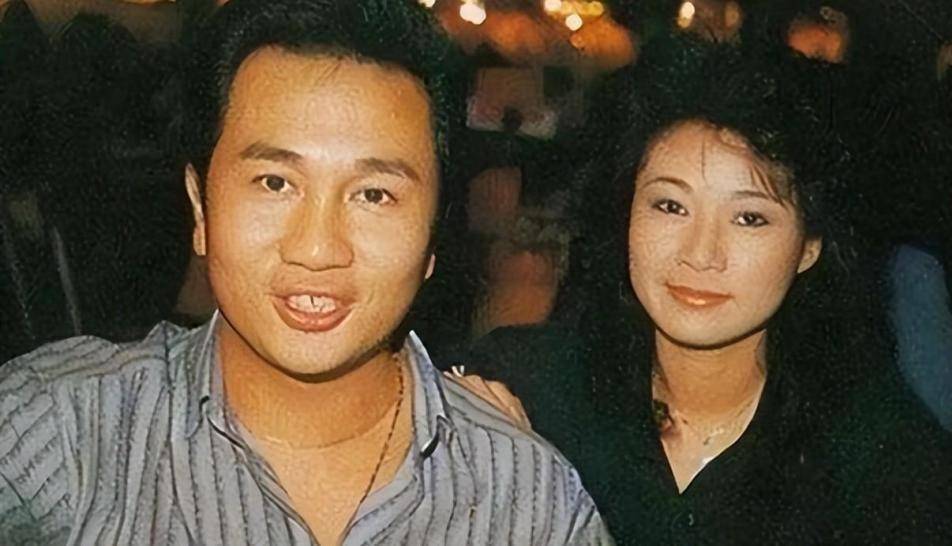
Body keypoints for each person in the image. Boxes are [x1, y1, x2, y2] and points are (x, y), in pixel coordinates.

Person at [0, 1, 611, 544]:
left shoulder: (527, 500)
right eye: (275, 182)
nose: (317, 249)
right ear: (200, 208)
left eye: (373, 194)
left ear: (433, 233)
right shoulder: (61, 430)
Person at [460, 36, 952, 543]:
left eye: (749, 218)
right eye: (670, 206)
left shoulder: (880, 458)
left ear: (809, 246)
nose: (700, 254)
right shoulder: (524, 387)